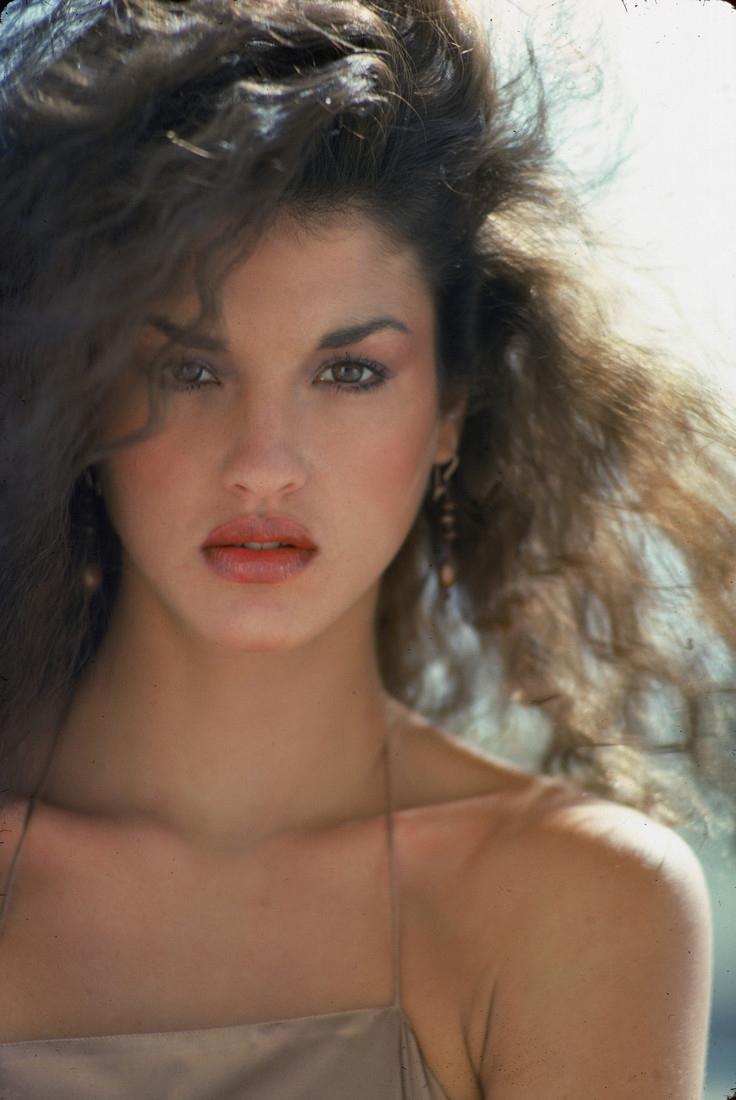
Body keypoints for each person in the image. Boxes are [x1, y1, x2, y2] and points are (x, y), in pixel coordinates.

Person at [0, 0, 733, 1096]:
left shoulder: (576, 903)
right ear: (82, 398)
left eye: (348, 372)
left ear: (449, 413)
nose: (262, 463)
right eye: (189, 368)